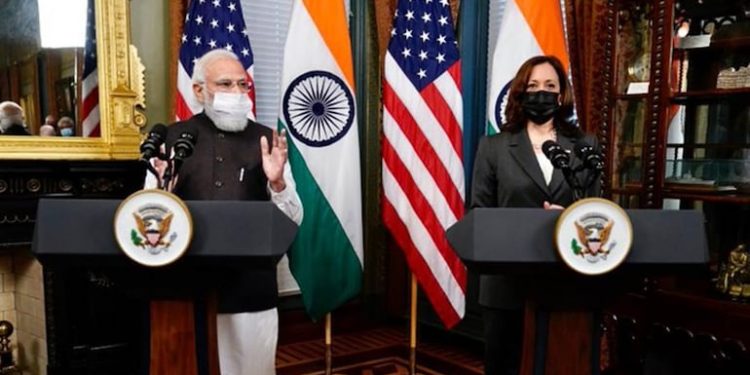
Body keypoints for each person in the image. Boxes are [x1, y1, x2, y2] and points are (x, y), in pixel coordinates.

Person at [148, 49, 302, 375]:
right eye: (225, 84)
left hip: (250, 287)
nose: (237, 93)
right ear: (199, 90)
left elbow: (293, 218)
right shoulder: (172, 140)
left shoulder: (267, 140)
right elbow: (149, 218)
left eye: (242, 85)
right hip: (186, 287)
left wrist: (277, 183)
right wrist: (164, 189)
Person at [471, 55, 600, 375]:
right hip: (506, 285)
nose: (541, 93)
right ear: (520, 92)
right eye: (533, 86)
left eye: (550, 86)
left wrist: (567, 220)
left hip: (565, 281)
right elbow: (479, 213)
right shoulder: (494, 147)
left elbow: (595, 209)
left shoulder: (584, 145)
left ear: (561, 95)